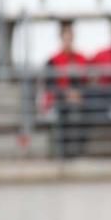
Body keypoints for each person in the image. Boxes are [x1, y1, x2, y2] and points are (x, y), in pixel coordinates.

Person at [44, 21, 90, 158]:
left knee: (87, 112)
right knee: (62, 113)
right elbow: (49, 85)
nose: (68, 40)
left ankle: (80, 152)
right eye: (65, 37)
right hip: (60, 100)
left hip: (80, 100)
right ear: (61, 38)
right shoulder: (52, 61)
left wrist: (78, 94)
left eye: (70, 37)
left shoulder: (82, 59)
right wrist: (65, 94)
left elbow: (88, 83)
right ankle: (62, 153)